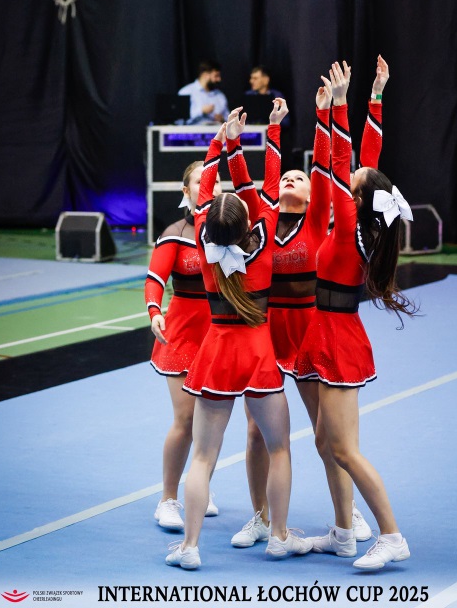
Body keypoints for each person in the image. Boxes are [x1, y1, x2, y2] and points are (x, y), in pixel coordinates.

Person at [225, 57, 391, 550]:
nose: (291, 180)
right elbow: (252, 182)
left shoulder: (320, 220)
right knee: (256, 434)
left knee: (327, 438)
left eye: (300, 178)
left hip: (312, 334)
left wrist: (335, 112)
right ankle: (261, 517)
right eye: (287, 179)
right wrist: (257, 135)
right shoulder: (264, 218)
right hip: (268, 334)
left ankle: (347, 513)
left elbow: (342, 167)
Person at [164, 99, 314, 570]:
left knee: (203, 457)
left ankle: (190, 547)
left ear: (207, 223)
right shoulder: (264, 240)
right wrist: (271, 131)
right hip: (258, 355)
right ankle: (279, 536)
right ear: (249, 222)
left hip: (216, 354)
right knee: (279, 447)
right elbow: (265, 186)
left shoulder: (204, 243)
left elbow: (206, 192)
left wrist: (219, 141)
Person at [296, 61, 419, 572]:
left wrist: (340, 105)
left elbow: (349, 156)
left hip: (338, 338)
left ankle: (392, 536)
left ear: (359, 198)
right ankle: (344, 533)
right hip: (324, 330)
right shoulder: (359, 220)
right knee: (324, 442)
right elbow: (368, 159)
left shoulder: (350, 227)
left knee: (344, 449)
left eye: (353, 182)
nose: (348, 177)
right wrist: (376, 96)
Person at [145, 161, 223, 532]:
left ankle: (199, 486)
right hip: (182, 333)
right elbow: (154, 279)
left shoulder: (233, 232)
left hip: (221, 333)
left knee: (212, 422)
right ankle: (168, 499)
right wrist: (154, 311)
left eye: (216, 180)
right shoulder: (175, 233)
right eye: (201, 180)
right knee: (187, 418)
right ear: (186, 191)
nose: (210, 186)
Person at [178, 60, 229, 124]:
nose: (219, 79)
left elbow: (228, 119)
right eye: (216, 76)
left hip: (217, 129)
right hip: (194, 130)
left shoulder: (220, 95)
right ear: (205, 75)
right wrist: (201, 111)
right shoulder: (186, 92)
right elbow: (179, 120)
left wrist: (222, 119)